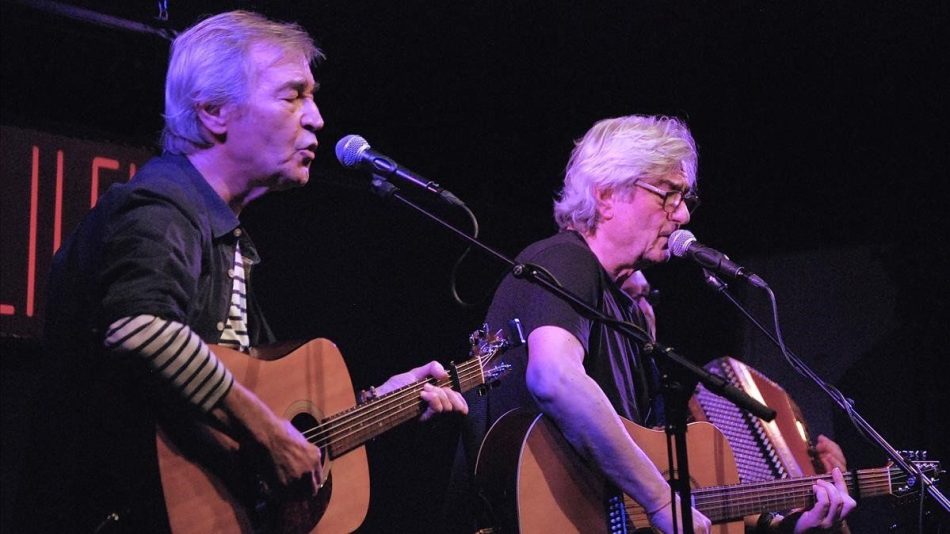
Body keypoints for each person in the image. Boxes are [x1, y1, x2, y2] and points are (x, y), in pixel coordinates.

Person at [13, 11, 466, 533]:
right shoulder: (161, 204)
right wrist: (271, 438)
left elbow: (252, 399)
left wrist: (376, 405)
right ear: (213, 112)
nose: (317, 117)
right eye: (293, 95)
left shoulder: (227, 238)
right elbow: (139, 328)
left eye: (312, 96)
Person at [449, 115, 853, 533]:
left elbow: (648, 489)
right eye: (667, 195)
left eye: (685, 198)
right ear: (605, 196)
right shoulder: (564, 259)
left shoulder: (630, 320)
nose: (682, 216)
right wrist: (661, 501)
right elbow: (554, 377)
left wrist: (795, 528)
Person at [625, 270, 855, 532]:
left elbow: (716, 507)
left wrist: (825, 502)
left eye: (647, 297)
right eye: (629, 297)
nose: (643, 309)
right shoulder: (607, 387)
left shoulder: (668, 388)